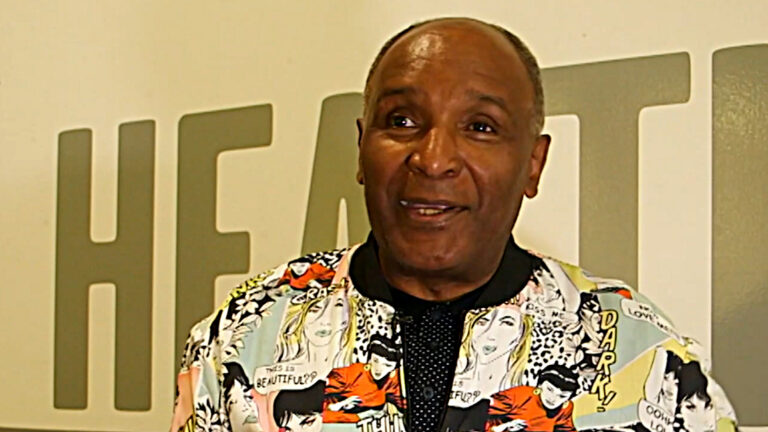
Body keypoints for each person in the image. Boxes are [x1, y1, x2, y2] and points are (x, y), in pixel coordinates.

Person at [170, 17, 738, 432]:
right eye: (402, 120)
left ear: (533, 164)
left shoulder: (643, 356)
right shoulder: (242, 337)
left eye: (481, 127)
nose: (433, 158)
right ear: (362, 148)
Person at [486, 364, 579, 432]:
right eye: (549, 389)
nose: (553, 399)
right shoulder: (519, 395)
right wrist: (502, 428)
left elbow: (565, 429)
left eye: (562, 396)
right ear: (540, 385)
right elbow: (481, 414)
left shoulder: (566, 408)